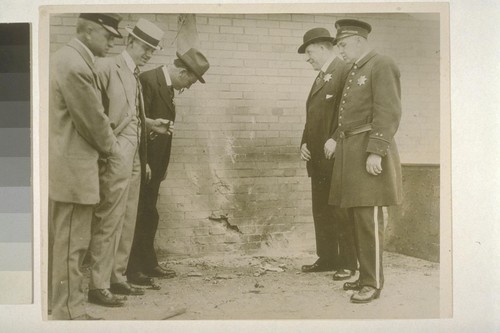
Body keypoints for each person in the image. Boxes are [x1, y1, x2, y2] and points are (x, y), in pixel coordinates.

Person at [88, 18, 170, 307]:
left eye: (152, 49)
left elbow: (131, 115)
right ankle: (98, 284)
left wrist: (150, 124)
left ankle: (117, 276)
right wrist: (107, 149)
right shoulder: (107, 67)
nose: (148, 53)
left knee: (127, 216)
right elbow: (95, 113)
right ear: (130, 42)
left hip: (135, 154)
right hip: (115, 151)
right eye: (144, 46)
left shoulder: (135, 73)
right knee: (109, 217)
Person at [48, 13, 122, 320]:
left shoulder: (66, 58)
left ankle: (66, 307)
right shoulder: (76, 65)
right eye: (107, 35)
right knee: (71, 247)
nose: (111, 42)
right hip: (74, 171)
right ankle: (67, 313)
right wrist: (113, 149)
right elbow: (93, 120)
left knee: (68, 244)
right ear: (89, 31)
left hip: (69, 167)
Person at [329, 19, 403, 303]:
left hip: (368, 150)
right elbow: (349, 115)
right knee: (354, 217)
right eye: (339, 46)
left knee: (368, 219)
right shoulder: (354, 69)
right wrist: (336, 138)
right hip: (351, 151)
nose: (341, 51)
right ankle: (364, 275)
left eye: (344, 45)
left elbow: (389, 110)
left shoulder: (381, 64)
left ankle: (372, 283)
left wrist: (377, 150)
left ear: (360, 41)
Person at [127, 48, 210, 286]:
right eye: (189, 84)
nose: (186, 88)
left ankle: (148, 263)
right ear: (183, 73)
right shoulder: (147, 81)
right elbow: (136, 125)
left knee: (149, 213)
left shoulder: (164, 85)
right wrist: (144, 163)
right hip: (144, 164)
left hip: (154, 166)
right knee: (140, 214)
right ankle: (134, 269)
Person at [297, 28, 357, 279]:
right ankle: (328, 257)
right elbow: (314, 116)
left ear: (323, 48)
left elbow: (351, 111)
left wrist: (335, 138)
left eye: (310, 52)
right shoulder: (322, 76)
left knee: (340, 211)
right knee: (321, 209)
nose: (307, 58)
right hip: (319, 158)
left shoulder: (344, 72)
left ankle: (348, 262)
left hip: (337, 156)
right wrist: (303, 143)